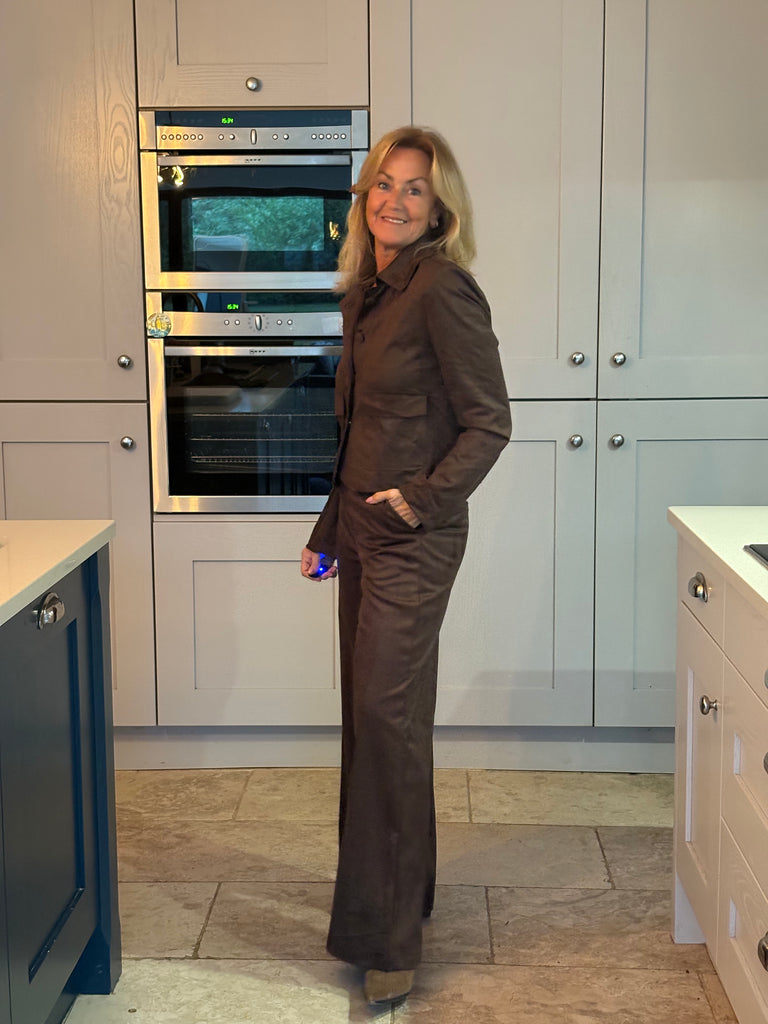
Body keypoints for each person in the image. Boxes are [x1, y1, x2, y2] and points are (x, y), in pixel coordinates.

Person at [300, 126, 511, 1006]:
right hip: (361, 530)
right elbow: (359, 430)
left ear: (439, 208)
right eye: (383, 184)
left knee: (386, 724)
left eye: (414, 188)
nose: (394, 200)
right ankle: (398, 901)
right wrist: (329, 528)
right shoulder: (369, 293)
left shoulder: (440, 288)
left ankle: (388, 944)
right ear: (365, 198)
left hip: (412, 538)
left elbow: (489, 422)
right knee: (375, 722)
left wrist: (418, 500)